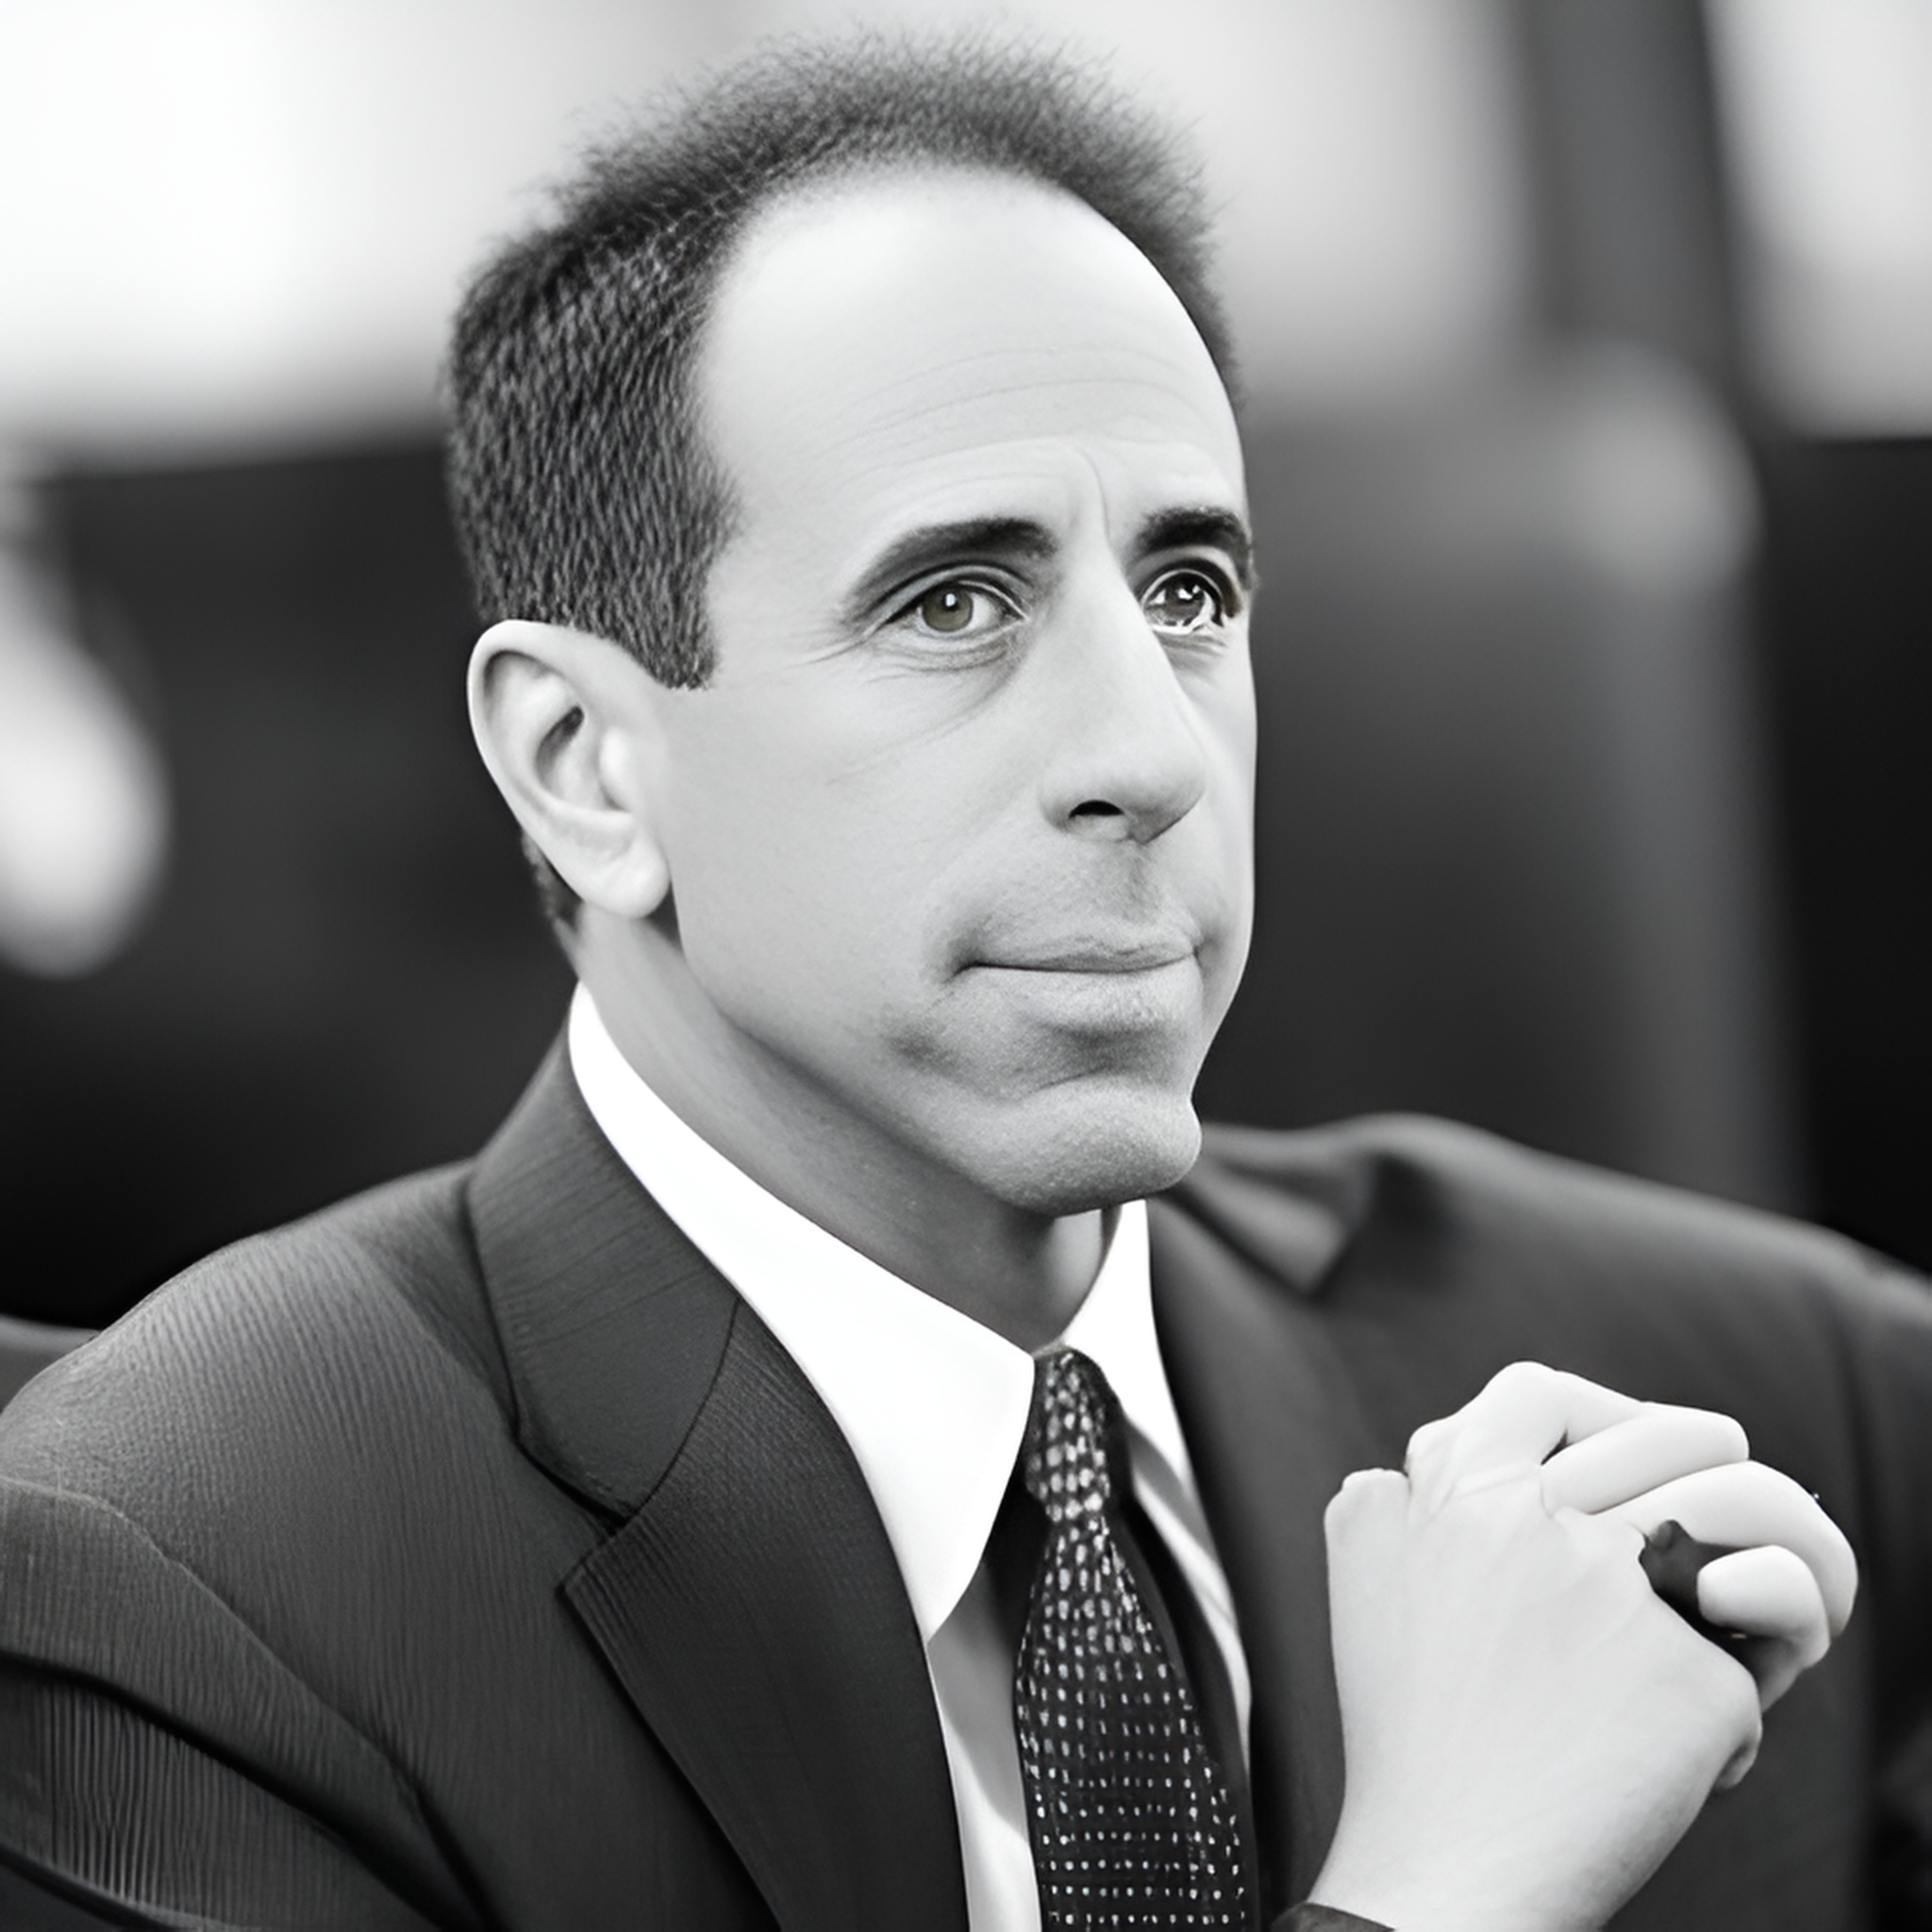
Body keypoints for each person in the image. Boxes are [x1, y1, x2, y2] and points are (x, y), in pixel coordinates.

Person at [0, 34, 1925, 1932]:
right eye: (955, 603)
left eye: (1188, 592)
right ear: (586, 768)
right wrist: (1445, 1896)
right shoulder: (175, 1586)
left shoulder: (1780, 1389)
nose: (1153, 755)